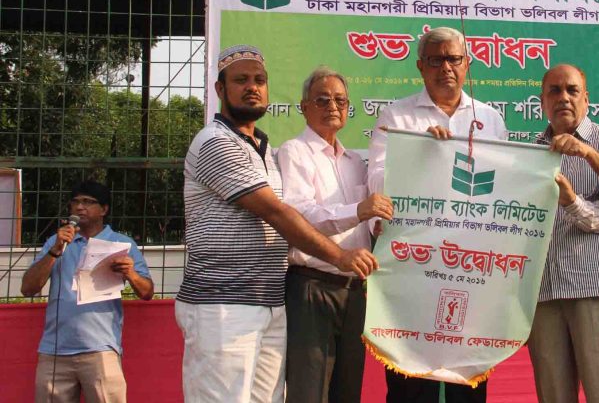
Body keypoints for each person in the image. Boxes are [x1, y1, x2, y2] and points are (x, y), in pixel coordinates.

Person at [175, 45, 378, 403]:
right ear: (220, 89)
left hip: (268, 300)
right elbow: (280, 214)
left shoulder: (263, 150)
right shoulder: (216, 143)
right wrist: (340, 256)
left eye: (260, 80)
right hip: (225, 304)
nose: (252, 87)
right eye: (241, 80)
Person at [368, 26, 506, 403]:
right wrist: (420, 156)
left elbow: (505, 189)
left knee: (468, 379)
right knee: (411, 382)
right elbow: (378, 180)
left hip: (471, 267)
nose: (445, 67)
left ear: (468, 65)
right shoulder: (397, 116)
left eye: (454, 59)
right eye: (436, 59)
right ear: (420, 66)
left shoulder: (491, 120)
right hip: (414, 266)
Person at [527, 64, 599, 403]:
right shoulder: (533, 150)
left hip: (594, 287)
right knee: (553, 395)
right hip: (543, 291)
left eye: (572, 90)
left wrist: (588, 153)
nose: (563, 97)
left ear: (586, 99)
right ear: (542, 102)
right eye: (555, 91)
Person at [277, 66, 393, 403]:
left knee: (347, 391)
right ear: (303, 106)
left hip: (355, 290)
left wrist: (378, 226)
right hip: (312, 286)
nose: (332, 106)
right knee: (309, 391)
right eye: (322, 99)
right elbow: (300, 215)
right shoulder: (294, 152)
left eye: (340, 100)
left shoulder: (356, 161)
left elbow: (370, 221)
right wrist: (359, 210)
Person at [22, 180, 154, 403]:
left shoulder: (121, 243)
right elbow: (27, 288)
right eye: (75, 202)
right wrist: (54, 252)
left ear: (104, 209)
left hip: (101, 348)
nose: (79, 207)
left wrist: (131, 273)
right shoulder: (56, 242)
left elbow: (147, 292)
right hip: (55, 350)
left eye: (87, 202)